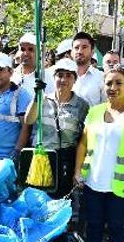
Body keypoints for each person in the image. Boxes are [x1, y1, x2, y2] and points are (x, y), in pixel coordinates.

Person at [74, 65, 124, 242]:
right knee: (93, 229)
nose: (113, 87)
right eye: (109, 83)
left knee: (118, 232)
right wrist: (77, 172)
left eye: (119, 83)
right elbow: (83, 144)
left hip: (121, 187)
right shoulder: (94, 112)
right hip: (93, 183)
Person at [25, 58, 90, 197]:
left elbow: (84, 139)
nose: (63, 80)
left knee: (61, 202)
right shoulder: (42, 99)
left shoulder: (82, 105)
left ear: (75, 80)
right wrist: (37, 97)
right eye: (60, 75)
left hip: (66, 160)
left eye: (68, 76)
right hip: (42, 158)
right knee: (38, 200)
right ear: (54, 77)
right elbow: (29, 120)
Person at [71, 32, 106, 106]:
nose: (80, 51)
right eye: (76, 48)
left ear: (92, 52)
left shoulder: (101, 78)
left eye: (84, 47)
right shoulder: (61, 77)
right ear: (71, 52)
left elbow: (105, 108)